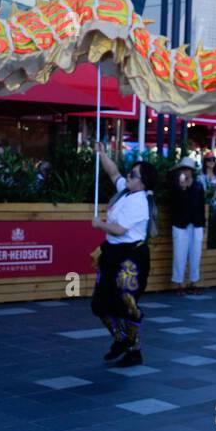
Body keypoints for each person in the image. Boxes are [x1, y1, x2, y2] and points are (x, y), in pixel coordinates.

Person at [90, 143, 159, 367]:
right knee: (100, 304)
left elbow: (119, 229)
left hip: (130, 257)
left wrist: (99, 224)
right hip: (112, 253)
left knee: (126, 304)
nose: (127, 176)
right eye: (130, 172)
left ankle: (133, 349)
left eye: (133, 174)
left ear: (142, 182)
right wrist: (102, 153)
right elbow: (113, 172)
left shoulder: (140, 202)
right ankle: (121, 340)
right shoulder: (126, 192)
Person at [170, 155, 205, 294]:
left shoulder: (198, 185)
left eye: (188, 169)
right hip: (180, 224)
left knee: (195, 254)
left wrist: (203, 225)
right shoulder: (176, 186)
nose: (186, 171)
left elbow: (201, 206)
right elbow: (175, 205)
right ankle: (179, 284)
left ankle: (193, 282)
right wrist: (182, 190)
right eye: (184, 169)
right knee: (179, 254)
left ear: (192, 171)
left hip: (196, 224)